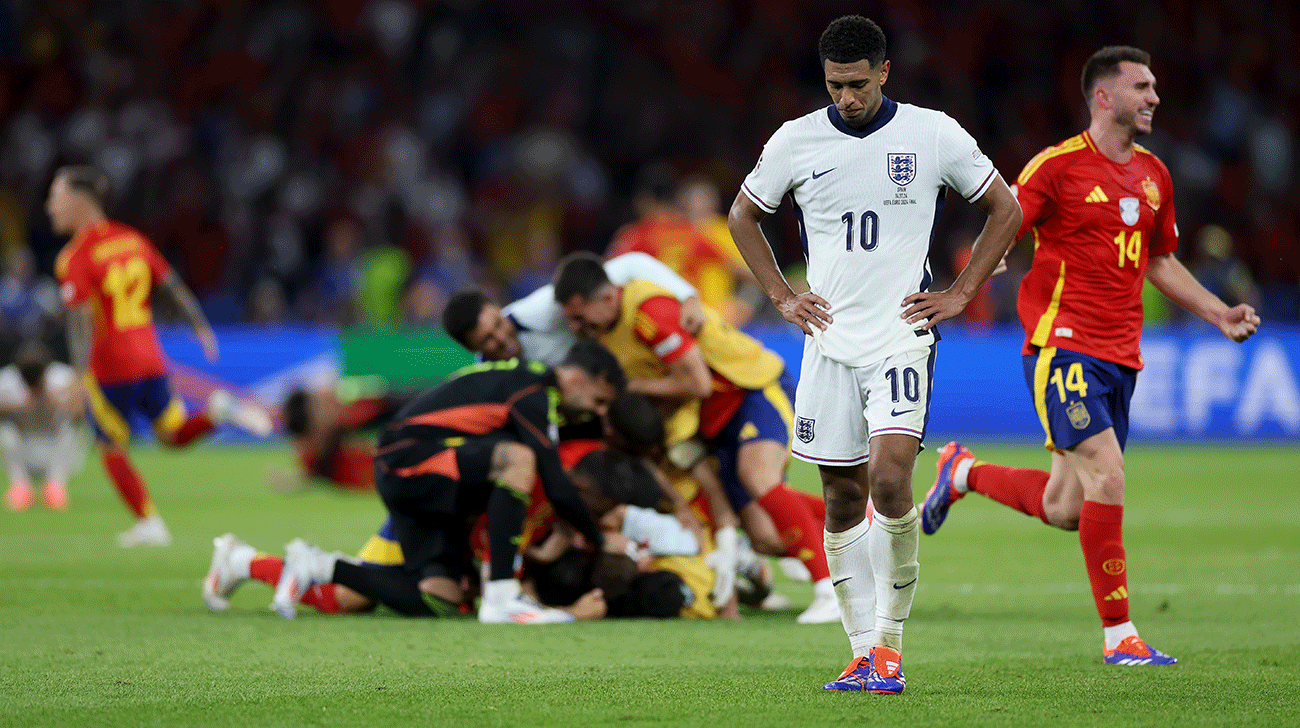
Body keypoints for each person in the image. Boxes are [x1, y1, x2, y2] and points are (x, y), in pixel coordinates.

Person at [921, 46, 1261, 667]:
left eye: (1153, 86)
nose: (1154, 97)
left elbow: (1159, 259)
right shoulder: (1057, 168)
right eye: (1142, 86)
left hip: (1121, 355)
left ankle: (962, 471)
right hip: (1063, 348)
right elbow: (1004, 224)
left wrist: (1218, 313)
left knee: (1065, 508)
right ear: (1104, 97)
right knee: (1108, 473)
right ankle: (1120, 636)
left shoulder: (1155, 175)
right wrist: (971, 281)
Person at [727, 15, 1022, 693]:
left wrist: (960, 292)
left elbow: (1004, 209)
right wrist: (781, 296)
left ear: (884, 72)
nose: (847, 97)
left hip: (900, 336)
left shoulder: (932, 133)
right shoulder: (796, 140)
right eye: (835, 85)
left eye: (858, 84)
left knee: (889, 481)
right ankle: (862, 652)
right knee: (839, 498)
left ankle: (889, 645)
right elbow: (742, 215)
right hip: (829, 342)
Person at [554, 253, 839, 624]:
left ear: (607, 298)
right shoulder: (607, 335)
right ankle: (864, 522)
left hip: (749, 387)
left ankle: (828, 590)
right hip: (710, 421)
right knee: (766, 536)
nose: (575, 327)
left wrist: (629, 388)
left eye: (579, 316)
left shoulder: (649, 311)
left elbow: (698, 383)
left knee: (758, 476)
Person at [268, 341, 624, 624]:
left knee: (441, 599)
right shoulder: (533, 392)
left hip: (416, 473)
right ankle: (501, 595)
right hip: (410, 460)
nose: (599, 412)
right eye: (599, 400)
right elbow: (556, 484)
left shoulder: (528, 387)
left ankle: (319, 565)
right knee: (517, 459)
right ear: (576, 379)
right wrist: (600, 539)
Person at [49, 165, 271, 546]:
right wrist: (200, 325)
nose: (49, 207)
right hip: (150, 359)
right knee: (170, 433)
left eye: (55, 197)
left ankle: (149, 523)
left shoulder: (75, 256)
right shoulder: (133, 240)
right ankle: (216, 412)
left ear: (78, 201)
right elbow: (172, 286)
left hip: (110, 366)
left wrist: (79, 376)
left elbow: (81, 320)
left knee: (109, 446)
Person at [441, 251, 703, 366]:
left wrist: (688, 296)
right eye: (486, 339)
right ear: (472, 348)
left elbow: (631, 264)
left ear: (500, 309)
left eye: (498, 323)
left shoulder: (539, 311)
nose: (501, 338)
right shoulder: (488, 379)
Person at [0, 339, 84, 511]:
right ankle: (20, 486)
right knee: (6, 430)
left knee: (72, 429)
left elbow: (81, 415)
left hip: (56, 451)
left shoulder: (63, 378)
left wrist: (57, 403)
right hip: (24, 449)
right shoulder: (7, 381)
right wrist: (17, 406)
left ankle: (55, 486)